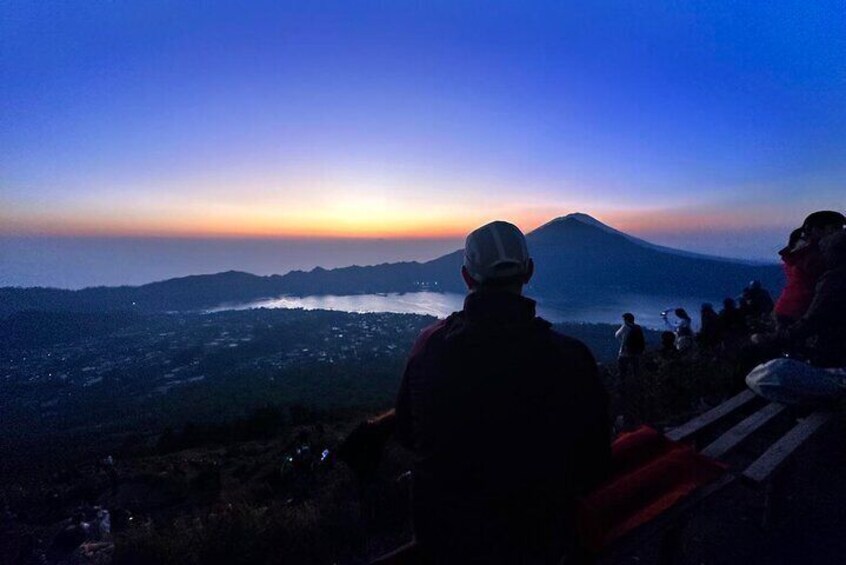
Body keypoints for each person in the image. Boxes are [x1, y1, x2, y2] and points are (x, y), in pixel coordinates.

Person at [347, 221, 612, 564]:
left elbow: (411, 435)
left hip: (444, 540)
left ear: (467, 278)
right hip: (538, 542)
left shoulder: (430, 348)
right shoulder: (571, 358)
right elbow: (595, 466)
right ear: (529, 271)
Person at [773, 211, 846, 327]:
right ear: (816, 230)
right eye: (834, 228)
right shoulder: (812, 252)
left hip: (789, 306)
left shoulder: (799, 248)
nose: (839, 233)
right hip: (801, 309)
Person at [615, 312, 645, 380]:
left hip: (624, 353)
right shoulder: (638, 328)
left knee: (622, 372)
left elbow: (616, 335)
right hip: (635, 353)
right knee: (636, 372)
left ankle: (623, 386)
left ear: (626, 320)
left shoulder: (625, 327)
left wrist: (621, 341)